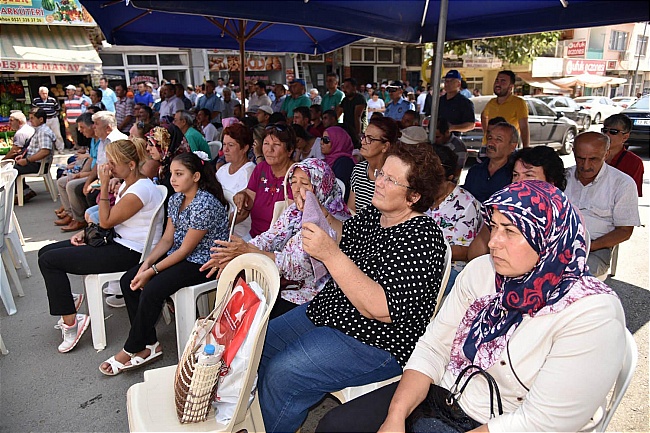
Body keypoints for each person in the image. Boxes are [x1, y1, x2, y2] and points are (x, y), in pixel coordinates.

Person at [318, 180, 625, 433]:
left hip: (508, 422)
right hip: (447, 395)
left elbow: (540, 422)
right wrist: (395, 417)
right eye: (494, 227)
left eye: (510, 232)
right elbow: (434, 346)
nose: (493, 242)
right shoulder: (483, 272)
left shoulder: (591, 314)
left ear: (549, 239)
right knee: (335, 426)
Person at [258, 142, 446, 433]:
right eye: (381, 174)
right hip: (332, 310)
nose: (378, 182)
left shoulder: (423, 237)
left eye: (390, 180)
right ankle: (262, 417)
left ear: (414, 196)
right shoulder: (377, 214)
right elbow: (343, 231)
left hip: (376, 339)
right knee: (260, 344)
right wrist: (316, 207)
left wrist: (330, 254)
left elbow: (381, 309)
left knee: (284, 374)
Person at [99, 152, 228, 375]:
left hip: (202, 262)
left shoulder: (205, 203)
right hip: (180, 254)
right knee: (129, 280)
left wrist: (152, 271)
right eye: (171, 174)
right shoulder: (177, 198)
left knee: (152, 289)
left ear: (196, 176)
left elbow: (186, 250)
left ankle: (132, 348)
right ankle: (149, 344)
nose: (173, 179)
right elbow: (167, 239)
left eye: (179, 174)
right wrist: (146, 262)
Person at [37, 139, 165, 353]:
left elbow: (106, 221)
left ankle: (71, 322)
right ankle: (66, 300)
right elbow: (111, 222)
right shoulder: (129, 183)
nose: (108, 167)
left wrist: (104, 184)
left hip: (131, 252)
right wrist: (86, 233)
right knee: (45, 251)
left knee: (49, 261)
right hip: (119, 241)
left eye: (114, 163)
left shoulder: (140, 190)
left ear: (131, 165)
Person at [203, 158, 351, 318]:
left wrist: (250, 252)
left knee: (254, 319)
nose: (297, 189)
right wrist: (234, 252)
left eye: (305, 183)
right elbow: (269, 238)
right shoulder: (294, 211)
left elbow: (298, 266)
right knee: (234, 298)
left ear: (322, 186)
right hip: (282, 284)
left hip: (311, 297)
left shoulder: (332, 222)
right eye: (293, 182)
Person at [467, 145, 566, 262]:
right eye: (515, 175)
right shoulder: (502, 211)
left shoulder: (564, 217)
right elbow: (474, 255)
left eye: (529, 175)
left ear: (551, 182)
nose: (518, 182)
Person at [565, 132, 640, 277]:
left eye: (593, 159)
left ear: (606, 155)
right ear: (573, 152)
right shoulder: (563, 177)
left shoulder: (622, 183)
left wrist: (589, 246)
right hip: (558, 243)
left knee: (578, 276)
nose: (586, 165)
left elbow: (624, 231)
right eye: (580, 158)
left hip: (596, 247)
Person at [427, 145, 481, 295]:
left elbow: (464, 251)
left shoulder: (466, 204)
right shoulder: (420, 195)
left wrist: (427, 249)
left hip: (450, 270)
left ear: (449, 176)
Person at [233, 123, 295, 238]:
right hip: (254, 236)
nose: (269, 150)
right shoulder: (261, 168)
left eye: (276, 144)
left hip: (282, 241)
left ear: (290, 150)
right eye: (266, 144)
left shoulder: (297, 175)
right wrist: (242, 196)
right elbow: (249, 202)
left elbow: (292, 221)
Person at [348, 117, 399, 213]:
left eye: (370, 139)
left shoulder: (394, 177)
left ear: (385, 146)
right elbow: (351, 210)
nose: (363, 142)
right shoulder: (358, 170)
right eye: (364, 136)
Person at [215, 123, 256, 239]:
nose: (225, 150)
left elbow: (242, 213)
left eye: (231, 145)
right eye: (224, 144)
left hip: (238, 233)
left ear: (245, 148)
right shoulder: (222, 170)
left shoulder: (249, 172)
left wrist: (218, 227)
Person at [463, 121, 517, 202]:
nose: (490, 143)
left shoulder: (515, 175)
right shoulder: (475, 171)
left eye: (498, 139)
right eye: (490, 138)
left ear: (512, 146)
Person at [481, 70, 530, 148]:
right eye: (497, 80)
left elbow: (524, 127)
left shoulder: (519, 103)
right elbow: (483, 116)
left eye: (503, 81)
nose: (498, 84)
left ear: (511, 86)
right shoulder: (491, 102)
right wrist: (487, 133)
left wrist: (526, 149)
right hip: (488, 146)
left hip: (506, 148)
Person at [14, 108, 54, 203]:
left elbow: (45, 151)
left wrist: (27, 160)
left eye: (32, 118)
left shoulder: (43, 132)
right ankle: (25, 191)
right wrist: (23, 156)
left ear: (41, 119)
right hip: (35, 162)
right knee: (14, 167)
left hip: (38, 164)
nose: (30, 120)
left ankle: (22, 193)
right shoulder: (39, 130)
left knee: (13, 171)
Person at [145, 125, 191, 199]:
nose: (148, 148)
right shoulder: (164, 166)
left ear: (166, 144)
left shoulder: (183, 167)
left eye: (152, 144)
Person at [603, 114, 644, 197]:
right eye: (604, 130)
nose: (607, 135)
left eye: (613, 132)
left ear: (625, 137)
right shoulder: (592, 154)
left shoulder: (634, 162)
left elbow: (633, 195)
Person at [322, 126, 355, 202]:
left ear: (338, 142)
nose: (321, 143)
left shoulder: (344, 163)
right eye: (322, 139)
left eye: (326, 140)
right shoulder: (327, 160)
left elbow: (337, 189)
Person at [32, 86, 64, 152]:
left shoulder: (52, 100)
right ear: (39, 93)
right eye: (43, 93)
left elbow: (57, 108)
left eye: (46, 93)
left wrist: (55, 115)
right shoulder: (36, 101)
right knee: (43, 135)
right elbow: (34, 110)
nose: (45, 95)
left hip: (53, 118)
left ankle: (60, 149)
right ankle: (46, 150)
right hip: (43, 121)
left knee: (57, 134)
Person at [337, 77, 367, 144]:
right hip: (347, 130)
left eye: (347, 87)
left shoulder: (360, 99)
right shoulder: (345, 100)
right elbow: (338, 113)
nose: (345, 89)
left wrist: (358, 135)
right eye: (344, 87)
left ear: (354, 87)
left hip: (358, 131)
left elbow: (357, 117)